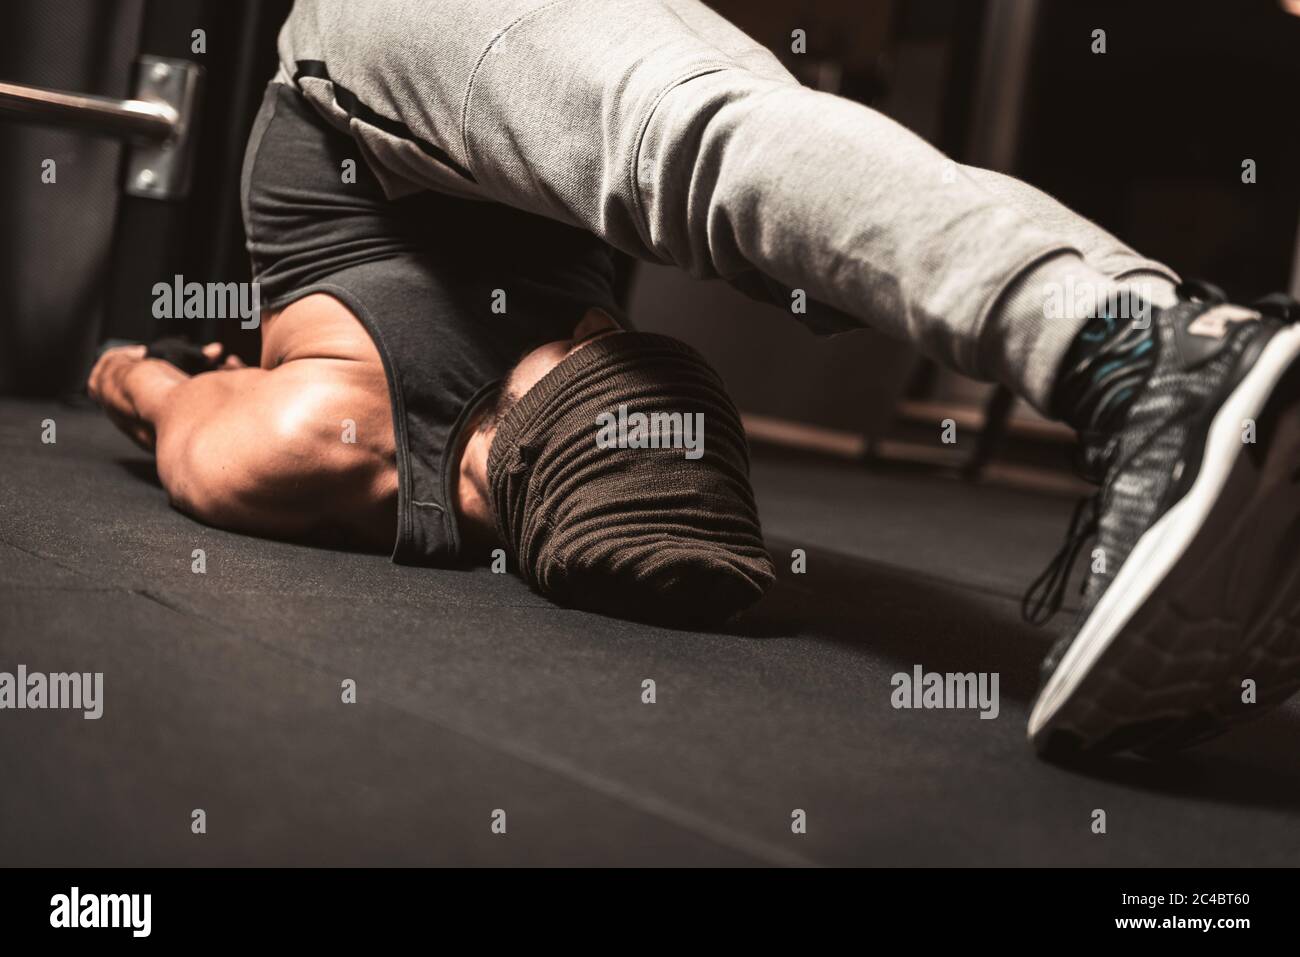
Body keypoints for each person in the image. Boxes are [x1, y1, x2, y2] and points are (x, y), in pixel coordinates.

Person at [89, 0, 1300, 756]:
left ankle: (1138, 354)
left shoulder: (315, 439)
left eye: (601, 352)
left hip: (366, 95)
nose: (603, 333)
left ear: (544, 410)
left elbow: (141, 389)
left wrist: (138, 371)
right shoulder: (340, 451)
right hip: (469, 146)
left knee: (693, 140)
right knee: (755, 187)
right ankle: (1162, 361)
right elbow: (177, 401)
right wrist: (179, 375)